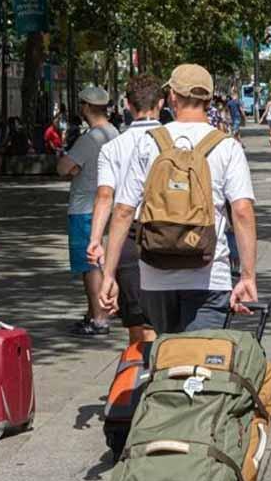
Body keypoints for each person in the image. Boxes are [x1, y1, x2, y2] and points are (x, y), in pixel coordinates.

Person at [98, 64, 258, 335]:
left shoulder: (149, 143)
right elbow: (241, 211)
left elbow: (124, 211)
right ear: (208, 99)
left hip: (155, 275)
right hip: (209, 274)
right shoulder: (227, 146)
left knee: (166, 358)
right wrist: (248, 276)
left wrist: (109, 275)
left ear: (172, 96)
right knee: (199, 366)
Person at [85, 76, 163, 347]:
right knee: (164, 321)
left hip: (128, 238)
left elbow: (105, 196)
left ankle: (139, 379)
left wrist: (96, 240)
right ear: (161, 103)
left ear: (128, 105)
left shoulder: (112, 147)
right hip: (168, 234)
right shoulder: (174, 141)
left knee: (136, 324)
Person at [57, 86, 117, 336]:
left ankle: (99, 319)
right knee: (101, 263)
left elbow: (63, 168)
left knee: (90, 265)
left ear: (86, 107)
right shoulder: (114, 133)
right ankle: (97, 311)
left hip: (84, 208)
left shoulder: (90, 138)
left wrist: (67, 161)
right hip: (108, 206)